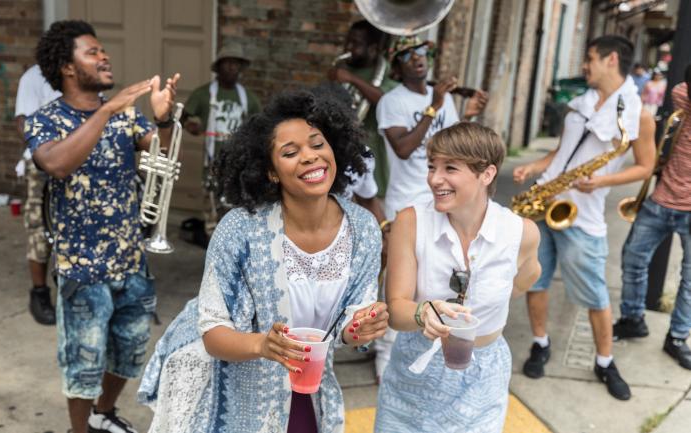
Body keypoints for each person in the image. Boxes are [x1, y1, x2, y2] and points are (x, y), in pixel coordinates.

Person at [138, 90, 389, 433]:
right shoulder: (240, 229)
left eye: (318, 144)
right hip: (233, 394)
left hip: (308, 390)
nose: (309, 157)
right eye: (290, 152)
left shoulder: (362, 228)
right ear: (271, 172)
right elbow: (213, 331)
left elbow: (350, 324)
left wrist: (362, 327)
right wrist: (262, 344)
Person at [25, 20, 180, 433]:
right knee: (84, 362)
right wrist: (107, 111)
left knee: (130, 351)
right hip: (82, 269)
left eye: (102, 50)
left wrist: (162, 121)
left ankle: (103, 413)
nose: (104, 56)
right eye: (92, 52)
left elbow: (162, 157)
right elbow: (57, 163)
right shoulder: (46, 120)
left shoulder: (127, 114)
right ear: (67, 68)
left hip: (131, 261)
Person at [513, 35, 656, 401]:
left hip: (583, 215)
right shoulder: (579, 103)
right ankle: (540, 343)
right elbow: (563, 152)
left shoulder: (637, 114)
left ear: (611, 59)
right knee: (536, 280)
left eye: (589, 59)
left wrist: (602, 181)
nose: (584, 66)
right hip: (545, 203)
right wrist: (534, 165)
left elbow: (646, 166)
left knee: (594, 294)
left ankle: (605, 361)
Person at [374, 122, 541, 433]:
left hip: (483, 377)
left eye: (450, 168)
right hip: (415, 369)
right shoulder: (410, 222)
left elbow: (526, 279)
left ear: (486, 174)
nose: (435, 179)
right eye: (432, 166)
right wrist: (422, 312)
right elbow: (396, 309)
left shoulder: (521, 233)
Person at [373, 35, 488, 378]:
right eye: (407, 54)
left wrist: (465, 115)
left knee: (436, 271)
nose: (418, 58)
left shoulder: (443, 101)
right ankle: (385, 350)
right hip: (405, 201)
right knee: (396, 281)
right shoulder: (392, 101)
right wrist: (434, 107)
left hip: (441, 199)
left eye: (422, 52)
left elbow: (452, 149)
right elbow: (405, 148)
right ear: (396, 66)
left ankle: (429, 337)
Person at [614, 64, 691, 370]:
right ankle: (633, 318)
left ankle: (678, 337)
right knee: (632, 259)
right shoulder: (681, 96)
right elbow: (678, 90)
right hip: (660, 201)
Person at [14, 64, 62, 325]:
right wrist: (46, 152)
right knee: (38, 228)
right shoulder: (34, 77)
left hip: (74, 163)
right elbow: (22, 122)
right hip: (41, 162)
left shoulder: (81, 77)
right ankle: (39, 293)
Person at [328, 19, 395, 200]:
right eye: (348, 41)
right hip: (341, 158)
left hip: (372, 159)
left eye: (356, 43)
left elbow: (385, 101)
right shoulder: (342, 68)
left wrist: (351, 79)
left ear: (373, 48)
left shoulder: (388, 72)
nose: (349, 47)